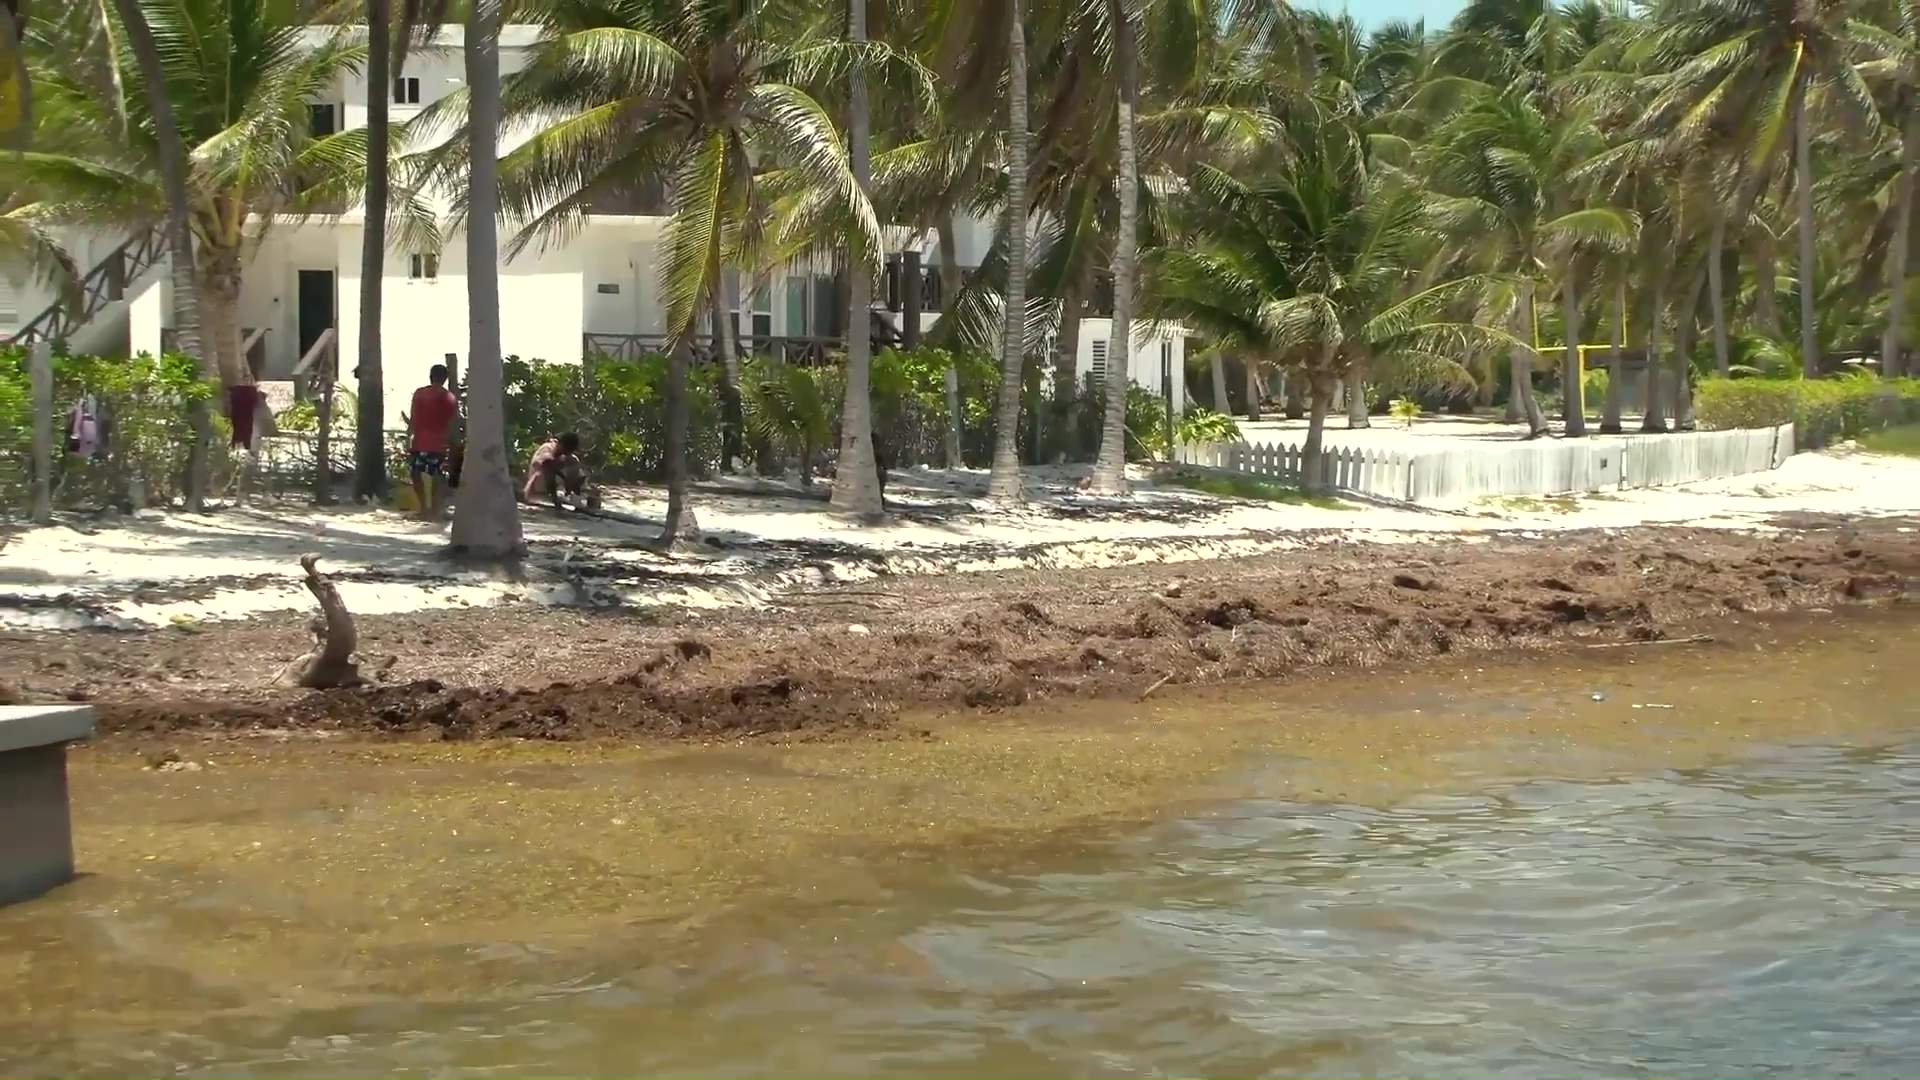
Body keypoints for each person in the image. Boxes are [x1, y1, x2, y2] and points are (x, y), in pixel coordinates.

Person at [408, 364, 459, 520]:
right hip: (439, 443)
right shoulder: (449, 397)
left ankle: (424, 508)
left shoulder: (419, 393)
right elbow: (452, 422)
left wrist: (408, 436)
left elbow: (413, 417)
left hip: (420, 441)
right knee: (437, 475)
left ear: (430, 376)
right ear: (445, 379)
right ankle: (435, 510)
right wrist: (453, 443)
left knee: (416, 473)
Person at [521, 432, 597, 508]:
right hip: (538, 485)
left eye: (570, 450)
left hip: (556, 485)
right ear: (560, 444)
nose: (568, 452)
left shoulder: (566, 456)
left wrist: (573, 482)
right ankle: (555, 496)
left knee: (575, 464)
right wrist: (564, 479)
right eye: (567, 449)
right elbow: (547, 466)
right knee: (550, 466)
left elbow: (577, 473)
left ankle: (579, 498)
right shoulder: (547, 448)